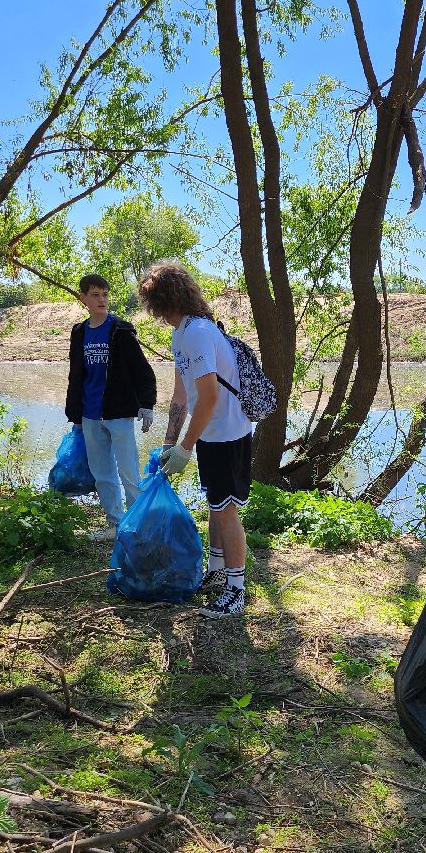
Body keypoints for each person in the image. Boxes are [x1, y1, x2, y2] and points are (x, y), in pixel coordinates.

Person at [137, 260, 253, 619]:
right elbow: (181, 396)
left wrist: (186, 448)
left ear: (164, 301)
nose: (155, 313)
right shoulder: (181, 334)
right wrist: (170, 443)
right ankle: (217, 572)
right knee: (216, 505)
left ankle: (236, 590)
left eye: (153, 304)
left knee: (227, 511)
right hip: (209, 434)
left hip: (227, 433)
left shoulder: (199, 333)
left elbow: (209, 397)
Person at [65, 274, 157, 538]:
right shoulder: (79, 332)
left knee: (129, 473)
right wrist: (75, 414)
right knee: (102, 474)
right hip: (90, 413)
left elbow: (142, 370)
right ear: (83, 298)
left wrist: (147, 404)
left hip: (119, 413)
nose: (101, 300)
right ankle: (115, 524)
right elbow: (75, 375)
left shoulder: (120, 330)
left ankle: (137, 527)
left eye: (105, 294)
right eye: (95, 295)